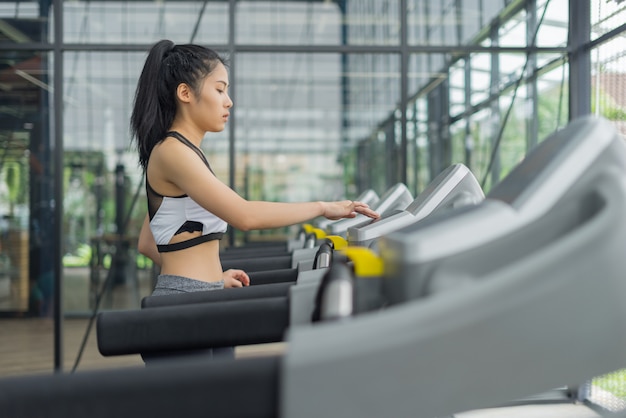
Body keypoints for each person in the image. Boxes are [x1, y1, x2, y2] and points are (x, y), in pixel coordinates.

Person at [132, 39, 379, 298]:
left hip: (199, 291)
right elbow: (245, 216)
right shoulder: (173, 152)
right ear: (185, 93)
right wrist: (323, 207)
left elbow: (147, 243)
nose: (229, 102)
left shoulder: (181, 152)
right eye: (219, 90)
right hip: (187, 298)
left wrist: (213, 278)